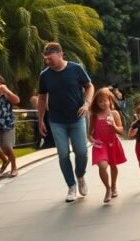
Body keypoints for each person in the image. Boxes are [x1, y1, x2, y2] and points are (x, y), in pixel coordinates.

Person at [37, 42, 95, 203]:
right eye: (46, 59)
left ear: (61, 54)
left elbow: (89, 86)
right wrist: (40, 120)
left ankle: (80, 175)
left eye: (50, 58)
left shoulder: (75, 69)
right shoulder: (45, 75)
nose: (48, 61)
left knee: (82, 152)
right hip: (56, 121)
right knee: (63, 154)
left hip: (77, 118)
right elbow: (42, 98)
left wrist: (87, 104)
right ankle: (71, 186)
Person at [87, 87, 127, 203]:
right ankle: (107, 188)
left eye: (105, 100)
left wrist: (113, 126)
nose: (103, 103)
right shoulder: (94, 116)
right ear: (96, 103)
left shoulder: (114, 114)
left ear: (110, 100)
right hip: (100, 145)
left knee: (113, 166)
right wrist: (93, 141)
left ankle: (114, 186)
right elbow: (89, 134)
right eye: (100, 101)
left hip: (112, 143)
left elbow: (120, 130)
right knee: (103, 166)